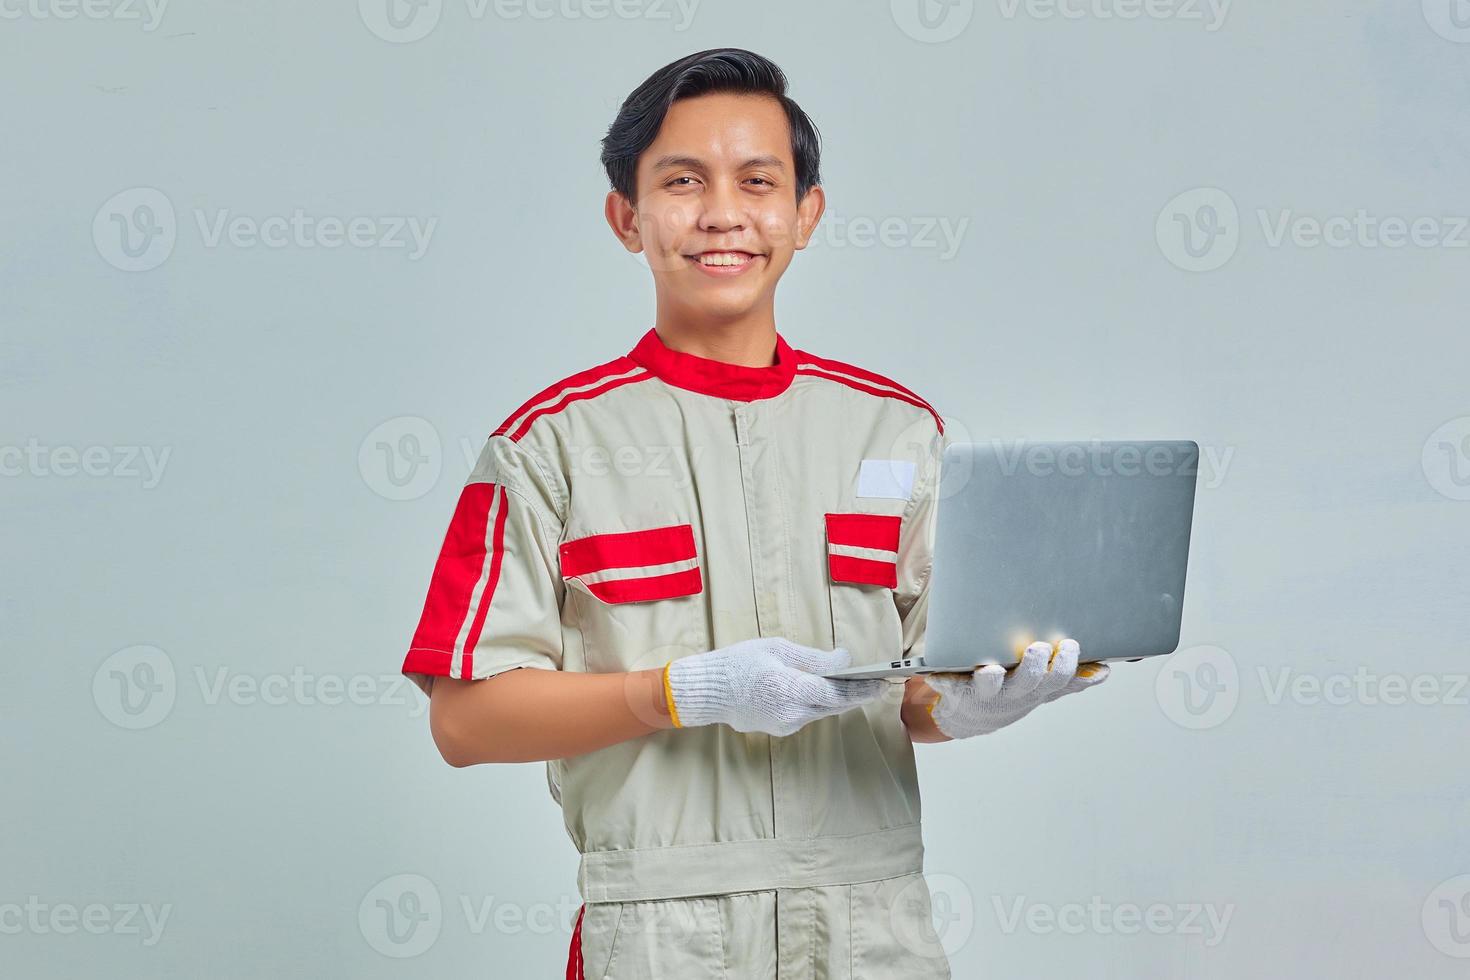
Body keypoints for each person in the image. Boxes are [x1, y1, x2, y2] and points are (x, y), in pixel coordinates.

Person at [399, 48, 1111, 979]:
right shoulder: (548, 448)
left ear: (806, 213)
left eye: (759, 181)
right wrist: (678, 693)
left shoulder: (895, 432)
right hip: (662, 935)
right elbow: (464, 721)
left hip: (876, 928)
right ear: (627, 217)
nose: (724, 213)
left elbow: (913, 693)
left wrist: (973, 709)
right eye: (683, 181)